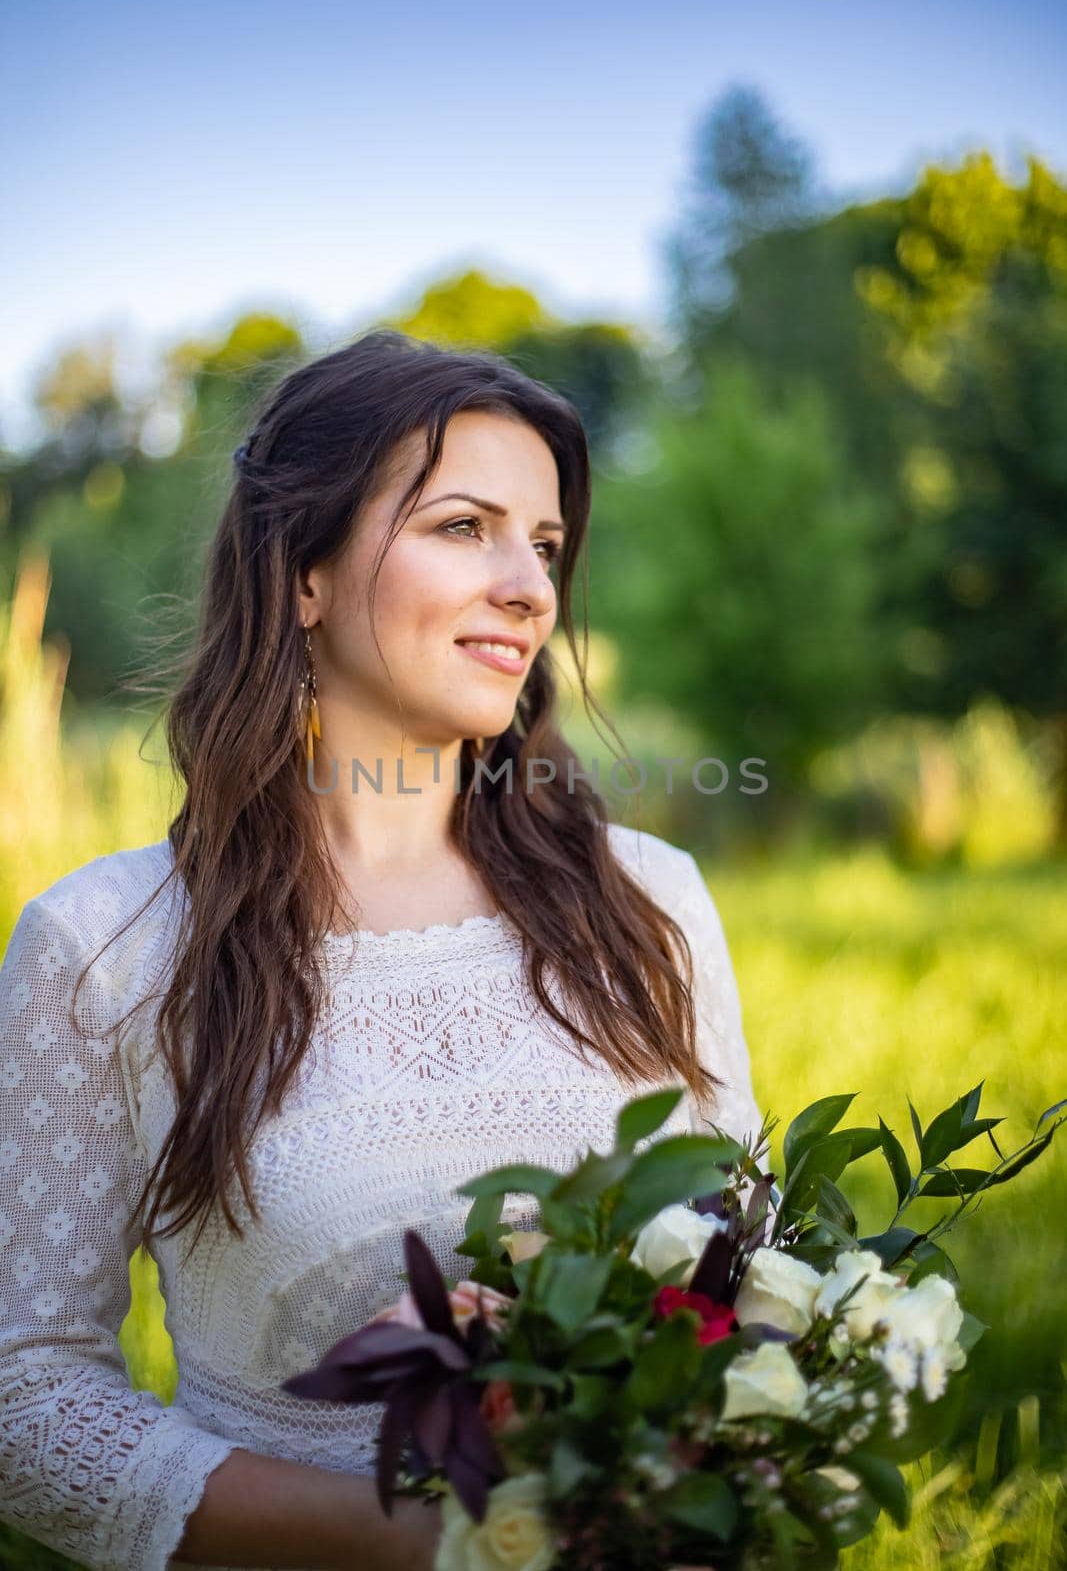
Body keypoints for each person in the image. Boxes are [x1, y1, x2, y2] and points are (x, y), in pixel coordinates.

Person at [0, 329, 762, 1571]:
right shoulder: (105, 950)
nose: (527, 585)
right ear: (302, 569)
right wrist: (452, 1544)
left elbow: (743, 1290)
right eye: (465, 526)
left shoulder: (653, 904)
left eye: (547, 543)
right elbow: (24, 1403)